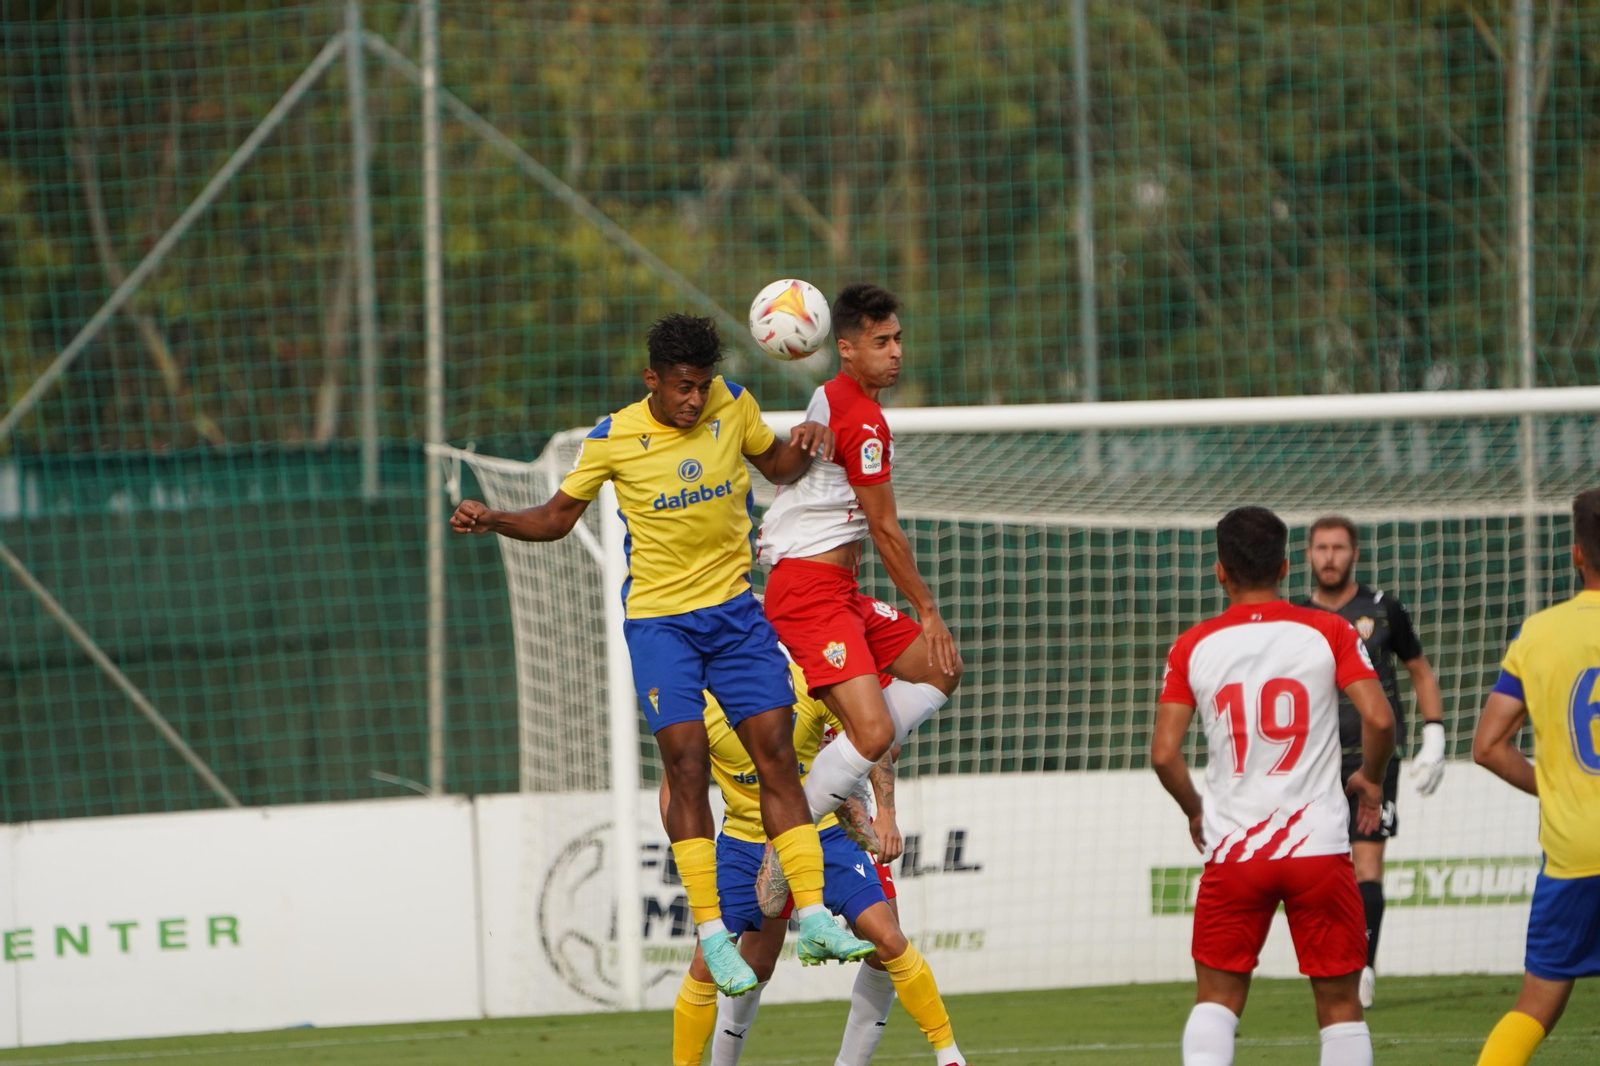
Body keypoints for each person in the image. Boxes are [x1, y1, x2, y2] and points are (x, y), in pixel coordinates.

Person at [450, 313, 870, 995]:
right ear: (653, 379)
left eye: (701, 387)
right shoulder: (614, 437)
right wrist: (493, 517)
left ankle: (816, 916)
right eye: (681, 387)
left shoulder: (733, 404)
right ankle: (710, 934)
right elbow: (557, 519)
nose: (693, 400)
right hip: (661, 626)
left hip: (734, 616)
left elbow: (778, 466)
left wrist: (812, 439)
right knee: (686, 763)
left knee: (776, 753)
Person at [1150, 506, 1396, 1066]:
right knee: (1340, 1009)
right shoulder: (1329, 630)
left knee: (1216, 1001)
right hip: (1318, 847)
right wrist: (1371, 780)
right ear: (1287, 566)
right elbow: (1380, 720)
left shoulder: (1193, 645)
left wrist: (1196, 810)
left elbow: (1164, 755)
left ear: (1220, 571)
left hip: (1235, 849)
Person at [755, 283, 963, 894]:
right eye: (881, 342)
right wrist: (927, 609)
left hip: (836, 587)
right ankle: (787, 840)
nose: (896, 352)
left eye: (898, 338)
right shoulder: (861, 417)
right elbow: (884, 528)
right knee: (872, 733)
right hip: (806, 589)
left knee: (940, 669)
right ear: (846, 348)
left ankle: (837, 774)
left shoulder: (832, 397)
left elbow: (816, 443)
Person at [671, 667, 965, 1066]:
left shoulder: (806, 677)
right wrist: (690, 851)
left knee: (887, 940)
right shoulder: (698, 704)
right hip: (746, 845)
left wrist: (886, 813)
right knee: (733, 964)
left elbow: (872, 734)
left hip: (825, 827)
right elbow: (676, 789)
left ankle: (949, 1057)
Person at [1469, 488, 1600, 1066]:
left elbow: (1489, 746)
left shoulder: (1539, 633)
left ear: (1577, 554)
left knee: (1537, 1002)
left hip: (1573, 851)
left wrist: (1555, 785)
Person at [1298, 514, 1447, 1008]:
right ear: (1307, 555)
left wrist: (1434, 734)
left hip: (1374, 760)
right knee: (1316, 866)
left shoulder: (1384, 609)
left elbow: (1420, 672)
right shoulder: (1294, 614)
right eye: (1321, 548)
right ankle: (1329, 962)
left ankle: (1363, 967)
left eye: (1339, 548)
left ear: (1354, 554)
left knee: (1367, 862)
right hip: (1312, 762)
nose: (1330, 557)